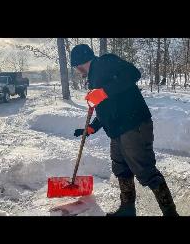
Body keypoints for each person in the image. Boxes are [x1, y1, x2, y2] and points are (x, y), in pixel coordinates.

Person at [71, 43, 179, 216]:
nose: (77, 71)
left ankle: (171, 213)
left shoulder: (105, 62)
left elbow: (133, 73)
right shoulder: (93, 78)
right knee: (121, 168)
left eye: (75, 67)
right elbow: (108, 108)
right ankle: (127, 210)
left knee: (146, 171)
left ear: (78, 63)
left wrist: (103, 92)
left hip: (133, 126)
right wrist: (92, 127)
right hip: (118, 131)